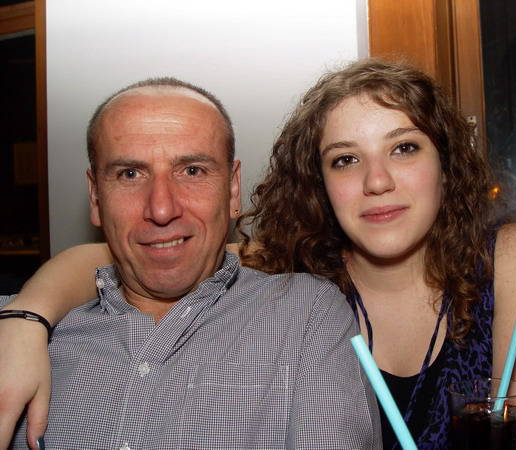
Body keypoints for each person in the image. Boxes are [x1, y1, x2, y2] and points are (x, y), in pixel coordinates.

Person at [1, 59, 516, 448]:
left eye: (404, 148)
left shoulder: (509, 258)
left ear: (444, 165)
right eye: (345, 159)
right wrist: (25, 320)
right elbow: (125, 255)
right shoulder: (298, 269)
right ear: (319, 184)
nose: (377, 181)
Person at [0, 77, 381, 449]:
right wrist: (25, 317)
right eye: (130, 174)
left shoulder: (306, 316)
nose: (161, 208)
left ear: (233, 189)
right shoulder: (17, 340)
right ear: (96, 197)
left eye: (192, 171)